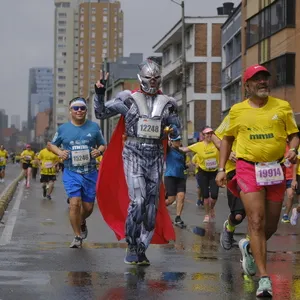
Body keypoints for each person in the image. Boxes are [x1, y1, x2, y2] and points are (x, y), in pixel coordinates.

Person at [215, 64, 299, 297]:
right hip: (247, 168)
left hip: (275, 169)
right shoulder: (237, 111)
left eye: (265, 78)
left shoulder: (282, 107)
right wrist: (221, 168)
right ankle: (264, 278)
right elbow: (226, 140)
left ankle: (249, 247)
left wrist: (293, 150)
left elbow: (294, 135)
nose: (263, 82)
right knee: (256, 219)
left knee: (270, 225)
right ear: (247, 85)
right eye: (257, 79)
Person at [94, 59, 179, 265]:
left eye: (156, 78)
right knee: (138, 201)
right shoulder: (128, 99)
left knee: (151, 207)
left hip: (156, 154)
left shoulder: (169, 103)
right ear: (141, 78)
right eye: (149, 78)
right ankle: (132, 245)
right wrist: (99, 94)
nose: (152, 81)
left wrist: (172, 132)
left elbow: (176, 130)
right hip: (133, 152)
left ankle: (142, 247)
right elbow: (101, 113)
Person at [49, 97, 106, 249]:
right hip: (71, 171)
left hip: (90, 172)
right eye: (76, 108)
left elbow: (103, 144)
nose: (79, 110)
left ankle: (81, 221)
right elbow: (51, 145)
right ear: (70, 111)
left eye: (82, 108)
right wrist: (60, 152)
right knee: (74, 204)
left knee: (87, 208)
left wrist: (98, 151)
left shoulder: (93, 127)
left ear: (86, 111)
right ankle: (77, 236)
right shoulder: (63, 129)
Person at [181, 127, 220, 223]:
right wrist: (172, 146)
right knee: (206, 195)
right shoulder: (199, 145)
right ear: (203, 135)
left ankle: (211, 208)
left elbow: (226, 148)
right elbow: (185, 149)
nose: (209, 135)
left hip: (214, 172)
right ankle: (207, 214)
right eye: (207, 134)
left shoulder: (217, 144)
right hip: (203, 173)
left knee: (214, 195)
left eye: (211, 133)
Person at [164, 132, 188, 226]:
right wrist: (166, 132)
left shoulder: (182, 152)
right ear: (172, 142)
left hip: (181, 177)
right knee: (171, 200)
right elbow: (164, 143)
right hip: (170, 176)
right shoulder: (169, 150)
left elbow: (183, 164)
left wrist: (185, 166)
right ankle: (157, 211)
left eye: (178, 140)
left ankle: (178, 218)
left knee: (181, 197)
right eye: (176, 140)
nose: (178, 142)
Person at [281, 142, 295, 223]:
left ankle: (285, 215)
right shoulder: (279, 144)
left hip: (290, 176)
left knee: (291, 195)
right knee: (278, 199)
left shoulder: (294, 147)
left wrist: (294, 179)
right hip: (279, 176)